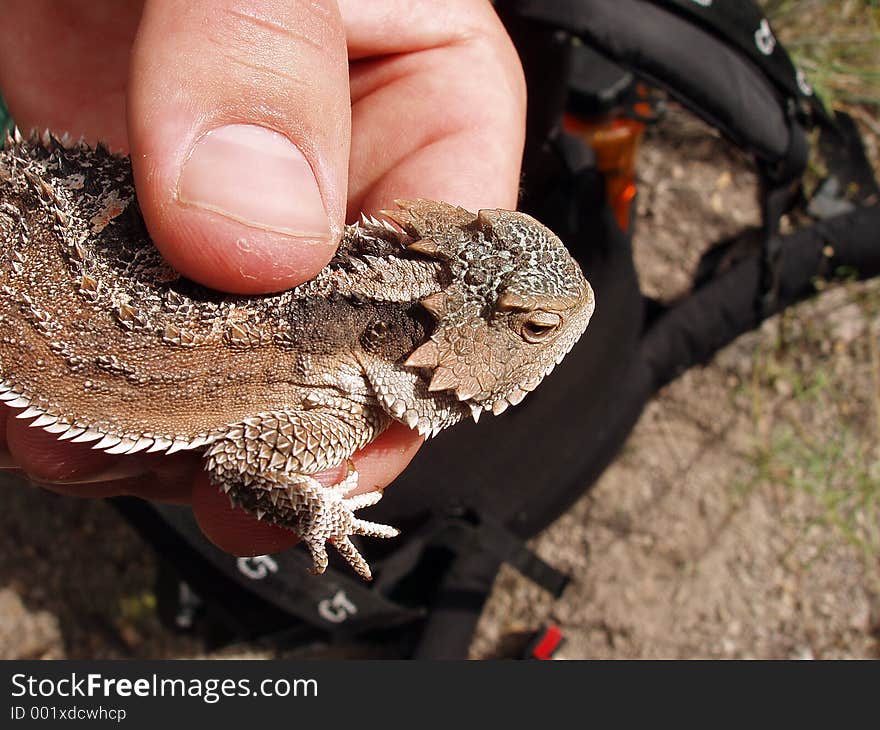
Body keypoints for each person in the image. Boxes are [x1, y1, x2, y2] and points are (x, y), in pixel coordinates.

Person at [0, 0, 526, 557]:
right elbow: (239, 468)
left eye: (534, 324)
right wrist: (318, 516)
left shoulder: (334, 266)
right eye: (535, 326)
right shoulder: (334, 415)